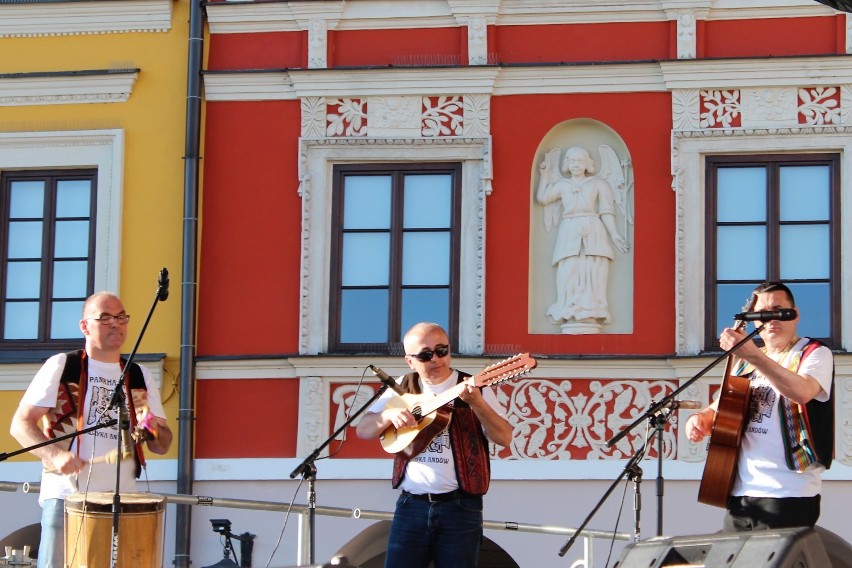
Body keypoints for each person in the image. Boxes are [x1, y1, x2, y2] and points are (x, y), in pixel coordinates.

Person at [10, 292, 173, 568]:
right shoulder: (64, 365)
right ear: (85, 326)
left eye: (121, 317)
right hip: (66, 497)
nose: (116, 324)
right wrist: (56, 456)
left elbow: (162, 444)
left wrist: (153, 428)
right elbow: (21, 424)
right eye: (105, 318)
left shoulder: (140, 375)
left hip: (124, 501)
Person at [356, 322, 513, 568]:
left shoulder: (473, 386)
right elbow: (363, 429)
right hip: (411, 505)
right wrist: (387, 416)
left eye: (442, 350)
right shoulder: (403, 386)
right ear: (410, 361)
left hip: (460, 508)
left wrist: (478, 404)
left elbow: (504, 438)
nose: (436, 359)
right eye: (426, 355)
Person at [686, 282, 834, 531]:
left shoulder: (814, 353)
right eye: (763, 313)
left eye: (779, 310)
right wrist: (701, 418)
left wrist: (753, 355)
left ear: (794, 314)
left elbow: (801, 392)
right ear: (754, 320)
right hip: (741, 493)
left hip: (788, 493)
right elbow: (721, 407)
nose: (772, 319)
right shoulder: (745, 362)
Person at [536, 146, 629, 332]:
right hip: (569, 227)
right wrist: (545, 175)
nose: (576, 165)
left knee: (594, 268)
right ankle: (568, 308)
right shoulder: (563, 185)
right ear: (567, 164)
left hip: (593, 227)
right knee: (568, 269)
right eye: (572, 161)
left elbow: (606, 211)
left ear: (588, 164)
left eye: (580, 161)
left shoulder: (599, 183)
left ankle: (593, 310)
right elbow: (543, 198)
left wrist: (615, 234)